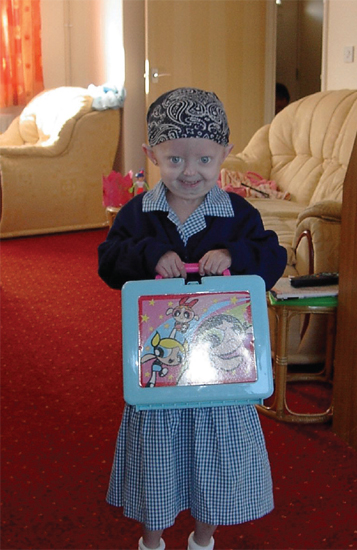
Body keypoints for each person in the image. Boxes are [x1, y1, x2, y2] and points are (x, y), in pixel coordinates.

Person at [98, 87, 287, 550]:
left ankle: (203, 539)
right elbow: (108, 261)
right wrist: (149, 254)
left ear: (225, 152)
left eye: (204, 159)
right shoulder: (137, 213)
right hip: (159, 374)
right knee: (156, 458)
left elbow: (272, 257)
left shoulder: (239, 215)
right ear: (151, 155)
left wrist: (233, 254)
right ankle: (152, 539)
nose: (190, 172)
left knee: (216, 459)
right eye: (175, 159)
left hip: (222, 375)